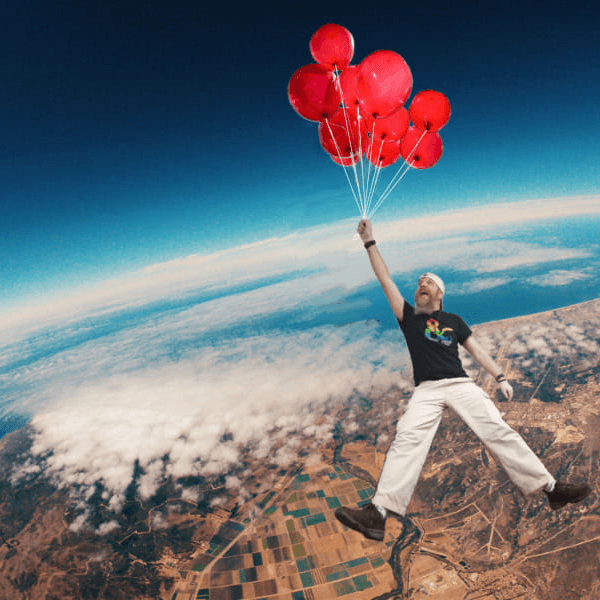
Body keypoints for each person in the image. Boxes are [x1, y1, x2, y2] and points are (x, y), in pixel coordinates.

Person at [335, 219, 592, 542]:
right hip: (426, 389)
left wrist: (499, 376)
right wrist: (370, 242)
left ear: (440, 294)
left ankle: (550, 488)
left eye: (427, 281)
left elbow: (477, 350)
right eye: (418, 282)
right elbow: (384, 278)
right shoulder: (408, 316)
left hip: (459, 384)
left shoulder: (453, 320)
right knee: (407, 440)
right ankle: (379, 513)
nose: (420, 284)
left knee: (497, 431)